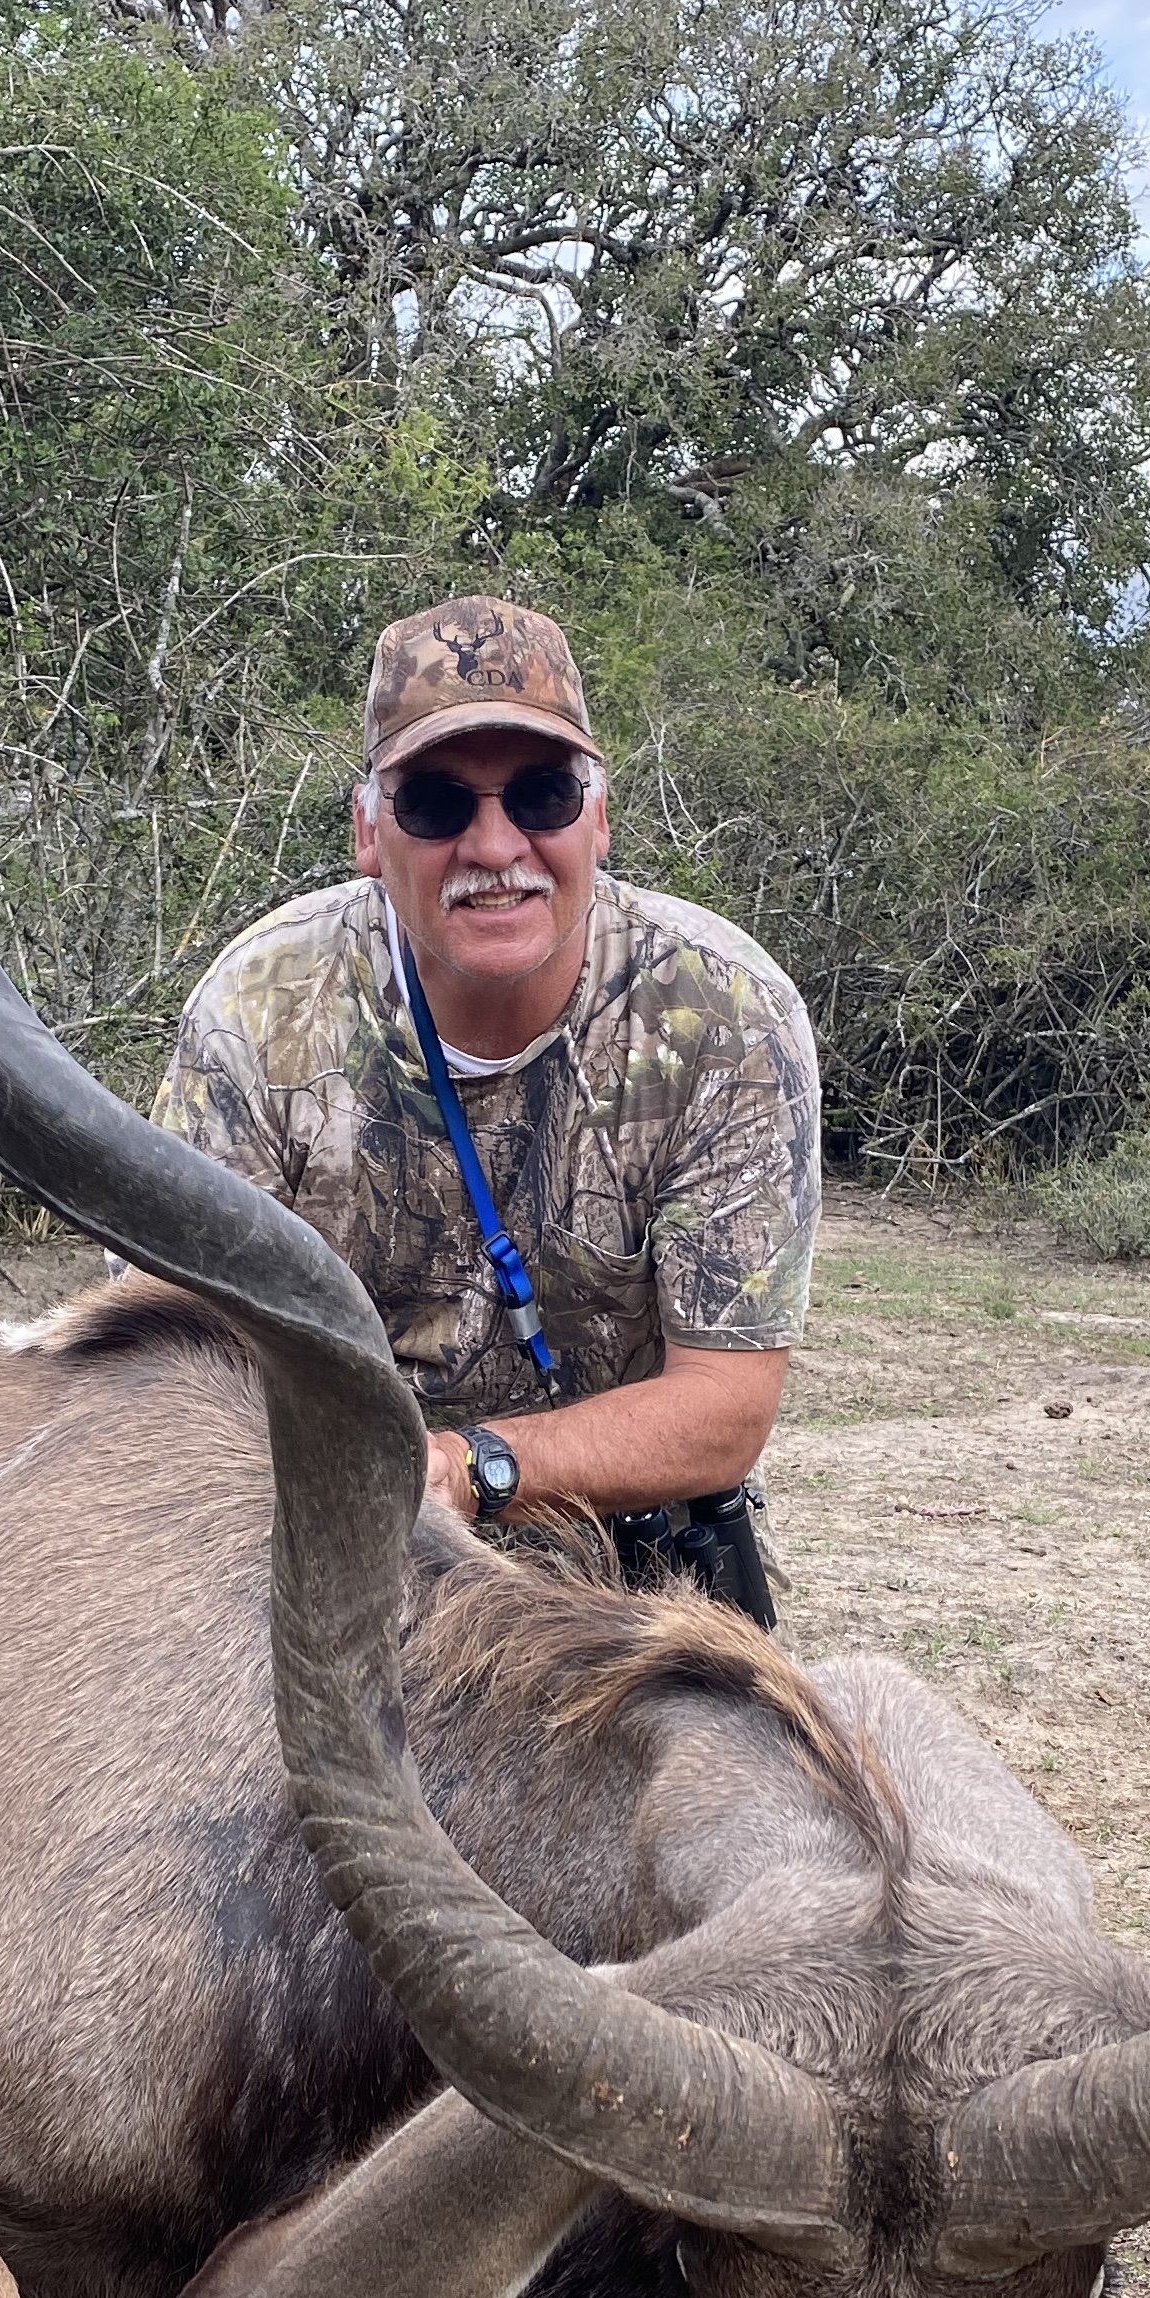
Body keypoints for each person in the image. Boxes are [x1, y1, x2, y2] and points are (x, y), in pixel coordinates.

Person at [153, 595, 818, 1618]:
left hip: (626, 1565)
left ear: (598, 818)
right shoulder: (258, 1013)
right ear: (370, 831)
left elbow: (725, 1408)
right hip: (334, 1555)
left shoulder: (726, 1012)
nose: (495, 844)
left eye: (543, 795)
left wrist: (465, 1472)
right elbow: (177, 1371)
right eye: (436, 804)